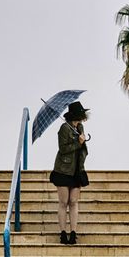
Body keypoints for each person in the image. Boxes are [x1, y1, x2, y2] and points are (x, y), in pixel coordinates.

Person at [49, 101, 90, 245]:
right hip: (63, 170)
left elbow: (82, 147)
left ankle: (73, 232)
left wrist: (83, 142)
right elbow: (63, 149)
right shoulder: (64, 128)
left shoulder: (80, 127)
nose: (83, 117)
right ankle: (63, 233)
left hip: (77, 170)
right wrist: (78, 143)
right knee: (63, 202)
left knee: (73, 202)